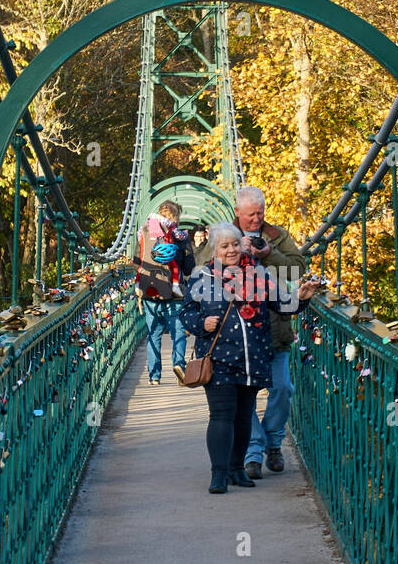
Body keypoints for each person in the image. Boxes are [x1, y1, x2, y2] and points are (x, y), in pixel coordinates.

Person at [182, 224, 319, 493]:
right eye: (224, 246)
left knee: (244, 416)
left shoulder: (259, 274)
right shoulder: (203, 277)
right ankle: (219, 474)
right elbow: (186, 313)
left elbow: (281, 304)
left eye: (235, 244)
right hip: (219, 358)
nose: (231, 250)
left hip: (252, 357)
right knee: (222, 416)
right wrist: (201, 323)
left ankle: (236, 470)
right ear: (214, 250)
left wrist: (301, 298)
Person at [196, 185, 306, 477]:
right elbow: (198, 272)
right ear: (238, 213)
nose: (256, 219)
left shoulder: (277, 236)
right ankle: (254, 452)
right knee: (244, 400)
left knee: (282, 388)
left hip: (275, 331)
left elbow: (296, 271)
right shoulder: (223, 236)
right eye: (250, 214)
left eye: (260, 213)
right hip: (236, 340)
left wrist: (270, 253)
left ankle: (273, 442)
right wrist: (231, 251)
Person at [133, 200, 195, 385]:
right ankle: (179, 365)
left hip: (150, 292)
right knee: (178, 332)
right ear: (176, 217)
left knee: (154, 335)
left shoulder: (144, 232)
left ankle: (154, 376)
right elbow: (190, 267)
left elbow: (137, 261)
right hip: (174, 294)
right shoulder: (180, 236)